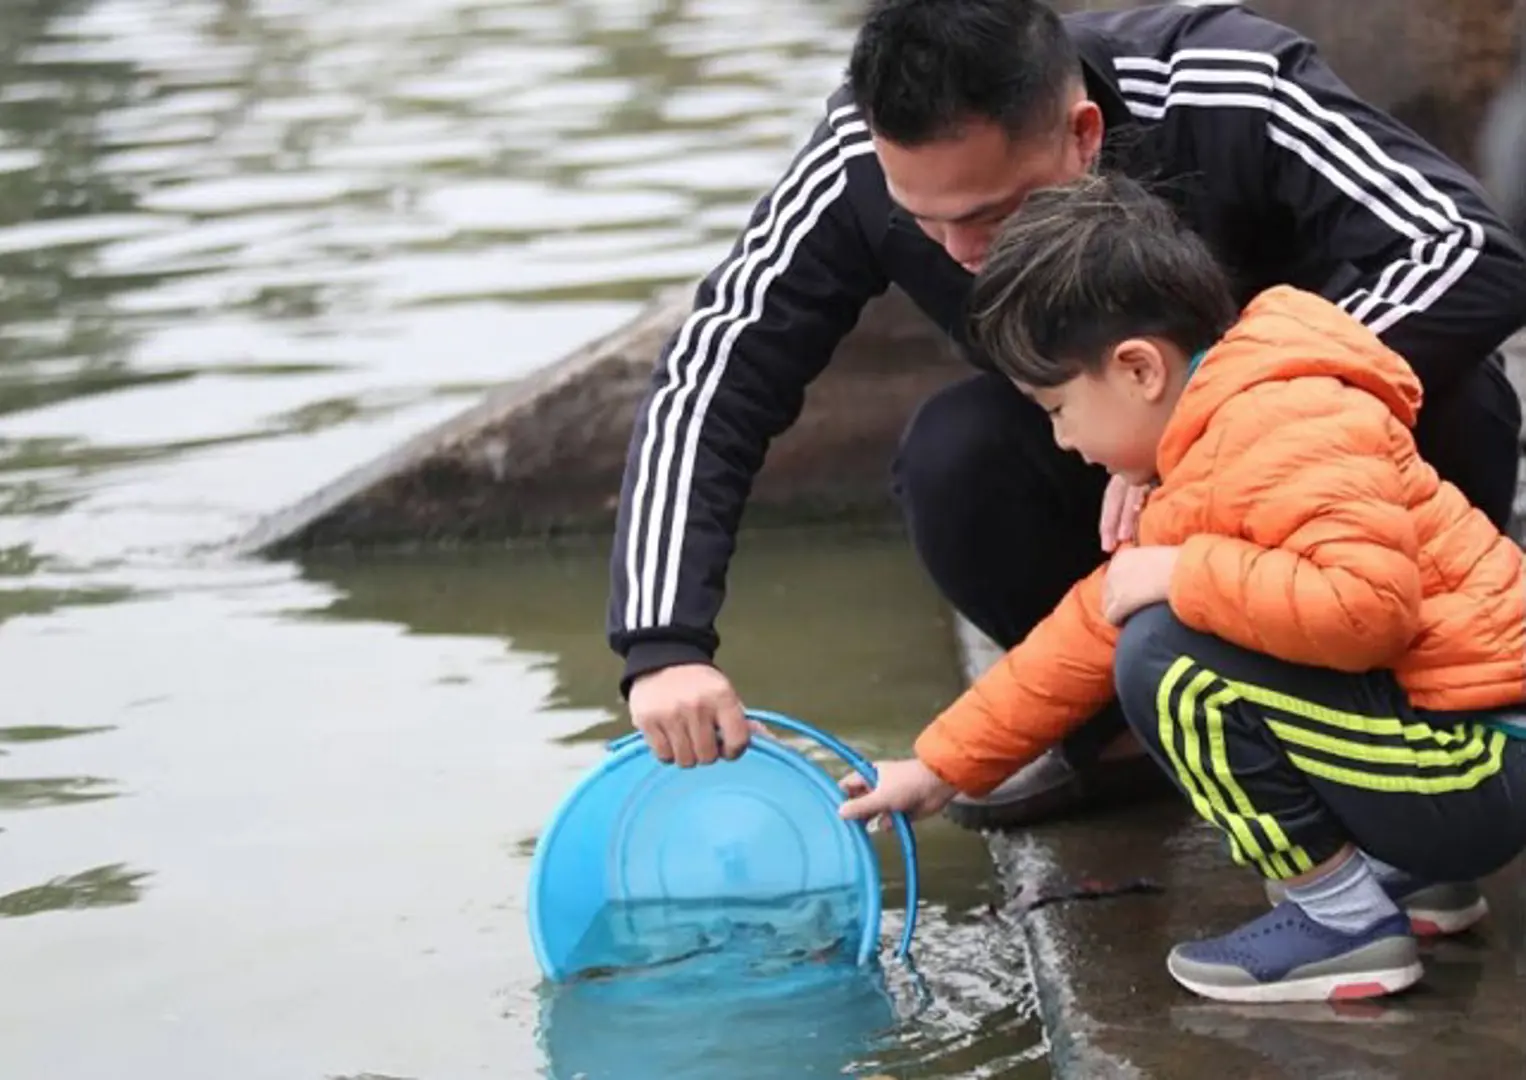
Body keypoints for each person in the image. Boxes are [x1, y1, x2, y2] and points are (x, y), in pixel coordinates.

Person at [607, 0, 1526, 830]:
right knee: (952, 458)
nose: (960, 254)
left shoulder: (1224, 81)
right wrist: (664, 646)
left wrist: (1214, 417)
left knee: (1468, 396)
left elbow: (1469, 250)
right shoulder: (859, 159)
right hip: (1123, 490)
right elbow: (714, 373)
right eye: (923, 223)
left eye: (993, 215)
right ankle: (1118, 745)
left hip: (1328, 475)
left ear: (1085, 135)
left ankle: (1414, 719)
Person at [835, 171, 1526, 1004]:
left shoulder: (1281, 423)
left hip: (1481, 764)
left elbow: (1368, 612)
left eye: (1057, 408)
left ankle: (1343, 923)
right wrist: (938, 768)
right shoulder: (1215, 434)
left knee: (1163, 659)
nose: (1062, 440)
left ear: (1136, 369)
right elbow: (1086, 625)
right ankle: (1416, 879)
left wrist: (1186, 573)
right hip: (1464, 748)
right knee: (1147, 622)